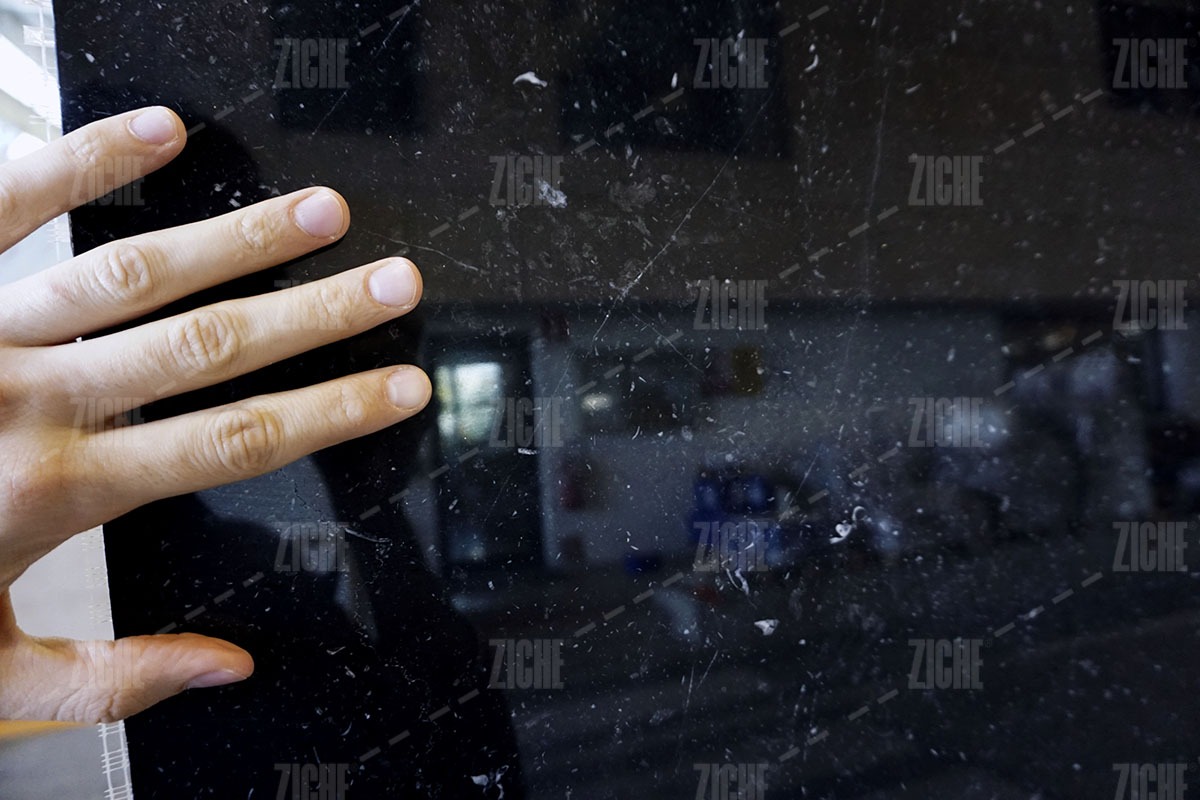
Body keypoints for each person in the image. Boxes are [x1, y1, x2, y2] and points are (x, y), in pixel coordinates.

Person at [0, 105, 433, 723]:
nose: (264, 311)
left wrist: (364, 483)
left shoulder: (246, 567)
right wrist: (372, 495)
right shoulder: (243, 577)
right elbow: (412, 716)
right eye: (251, 286)